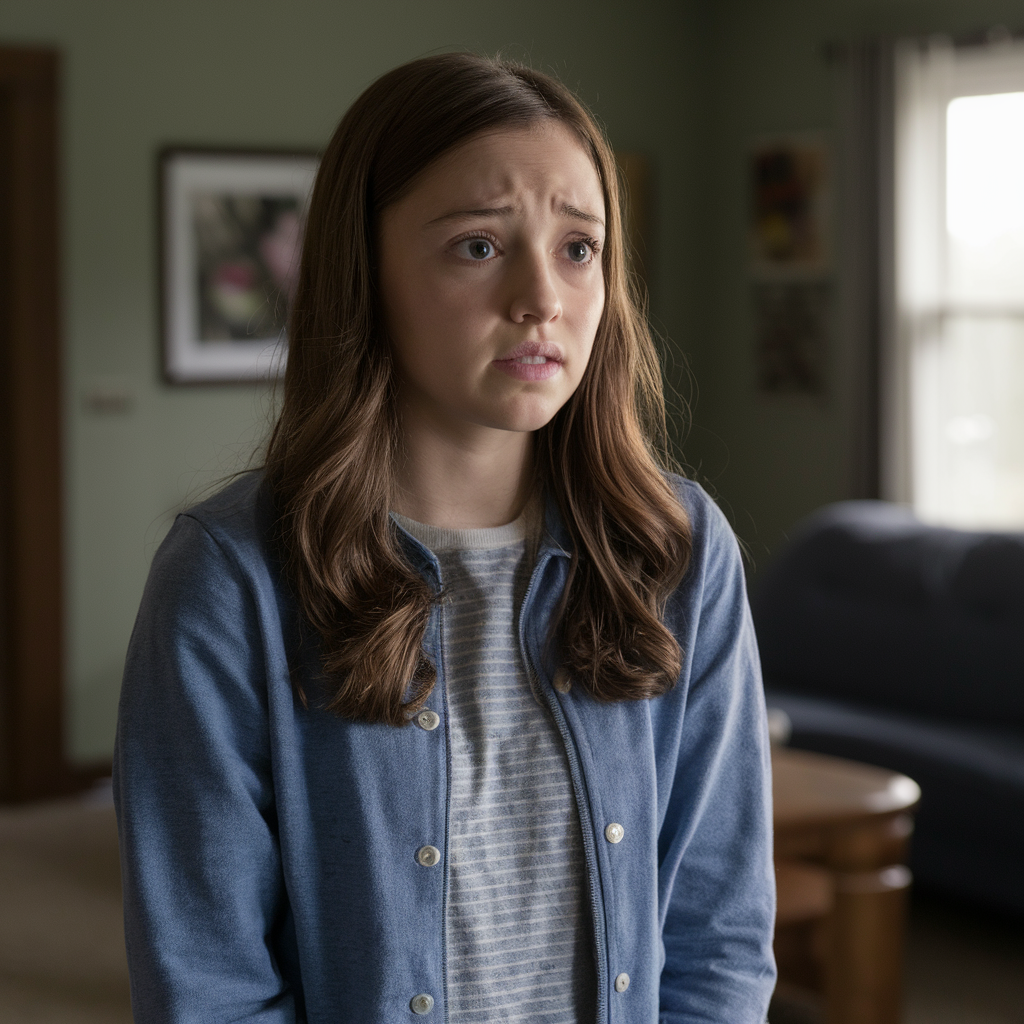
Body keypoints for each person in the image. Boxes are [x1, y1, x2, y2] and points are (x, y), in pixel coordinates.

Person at [114, 52, 776, 1024]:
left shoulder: (676, 546)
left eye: (579, 247)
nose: (541, 296)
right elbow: (205, 984)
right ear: (363, 268)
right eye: (477, 245)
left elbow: (718, 930)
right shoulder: (230, 578)